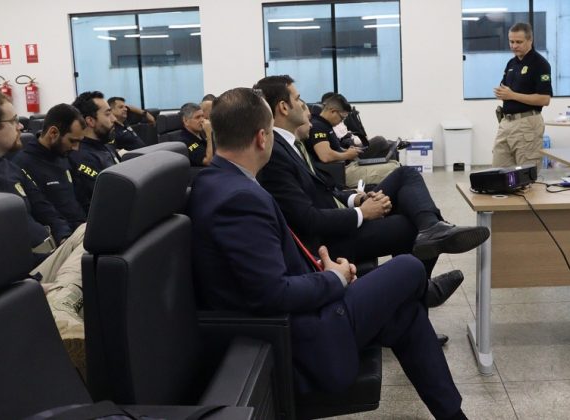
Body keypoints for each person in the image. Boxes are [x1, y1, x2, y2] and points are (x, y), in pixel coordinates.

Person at [187, 87, 468, 420]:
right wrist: (334, 279)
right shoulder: (238, 198)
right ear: (262, 138)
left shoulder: (217, 181)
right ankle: (425, 289)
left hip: (303, 306)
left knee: (405, 315)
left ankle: (454, 417)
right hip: (304, 335)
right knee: (408, 267)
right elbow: (272, 293)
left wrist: (325, 271)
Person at [255, 75, 490, 309]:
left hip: (339, 212)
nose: (303, 104)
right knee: (409, 226)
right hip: (330, 238)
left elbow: (326, 188)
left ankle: (431, 228)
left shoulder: (291, 146)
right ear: (283, 107)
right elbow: (308, 219)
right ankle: (419, 290)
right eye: (298, 99)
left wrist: (358, 198)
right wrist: (362, 213)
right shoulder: (276, 153)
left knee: (405, 175)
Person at [0, 88, 86, 362]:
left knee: (90, 232)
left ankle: (61, 300)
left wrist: (64, 238)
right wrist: (28, 284)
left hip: (43, 258)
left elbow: (45, 209)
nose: (21, 126)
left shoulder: (8, 167)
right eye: (13, 120)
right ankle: (61, 306)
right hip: (17, 275)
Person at [13, 103, 87, 230]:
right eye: (72, 141)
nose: (76, 148)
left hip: (83, 228)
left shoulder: (65, 156)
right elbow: (43, 213)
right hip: (64, 235)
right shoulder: (22, 165)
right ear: (53, 133)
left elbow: (82, 199)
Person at [492, 22, 552, 171]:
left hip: (527, 124)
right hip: (506, 123)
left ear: (530, 40)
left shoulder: (540, 64)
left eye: (519, 42)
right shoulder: (511, 63)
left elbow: (544, 99)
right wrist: (503, 94)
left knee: (526, 174)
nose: (514, 46)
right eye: (511, 42)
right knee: (499, 172)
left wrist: (512, 95)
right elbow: (505, 90)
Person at [307, 93, 400, 187]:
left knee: (393, 163)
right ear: (333, 111)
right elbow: (325, 156)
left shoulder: (325, 125)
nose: (341, 121)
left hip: (345, 167)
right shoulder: (318, 127)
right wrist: (347, 155)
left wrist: (347, 151)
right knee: (394, 168)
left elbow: (333, 149)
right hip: (342, 173)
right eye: (341, 118)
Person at [69, 91, 120, 211]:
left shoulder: (105, 146)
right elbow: (108, 200)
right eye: (108, 114)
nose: (114, 119)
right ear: (90, 121)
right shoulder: (81, 157)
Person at [176, 102, 214, 167]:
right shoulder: (185, 141)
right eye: (197, 117)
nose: (202, 120)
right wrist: (209, 135)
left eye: (202, 116)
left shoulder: (201, 133)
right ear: (186, 121)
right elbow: (209, 162)